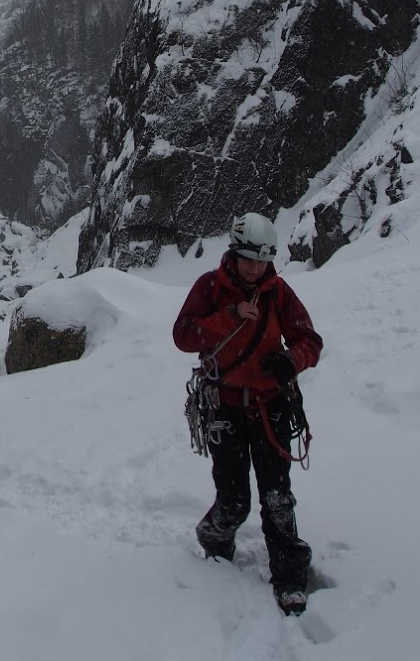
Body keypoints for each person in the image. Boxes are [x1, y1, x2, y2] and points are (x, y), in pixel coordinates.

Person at [173, 211, 323, 616]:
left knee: (277, 496)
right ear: (234, 255)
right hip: (224, 408)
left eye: (261, 261)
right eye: (248, 260)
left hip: (269, 406)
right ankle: (215, 541)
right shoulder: (211, 288)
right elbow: (183, 335)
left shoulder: (278, 293)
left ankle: (290, 577)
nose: (255, 268)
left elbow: (309, 340)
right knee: (234, 497)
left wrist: (291, 361)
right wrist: (230, 317)